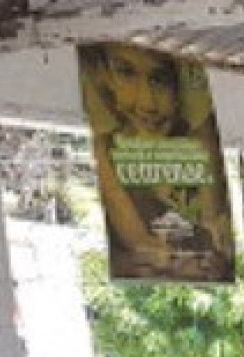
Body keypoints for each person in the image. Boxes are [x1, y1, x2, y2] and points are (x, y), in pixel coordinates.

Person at [80, 45, 234, 283]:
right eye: (126, 73)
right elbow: (141, 244)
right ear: (106, 76)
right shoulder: (107, 151)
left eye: (160, 80)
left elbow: (213, 219)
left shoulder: (199, 138)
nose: (147, 103)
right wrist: (146, 246)